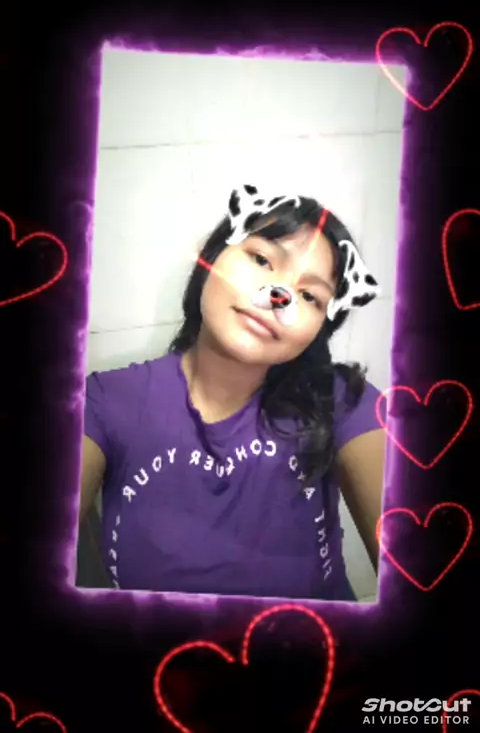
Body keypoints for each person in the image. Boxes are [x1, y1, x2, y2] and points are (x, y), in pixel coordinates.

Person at [80, 185, 386, 601]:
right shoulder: (107, 401)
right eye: (261, 259)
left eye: (310, 296)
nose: (279, 298)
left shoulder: (343, 402)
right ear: (212, 258)